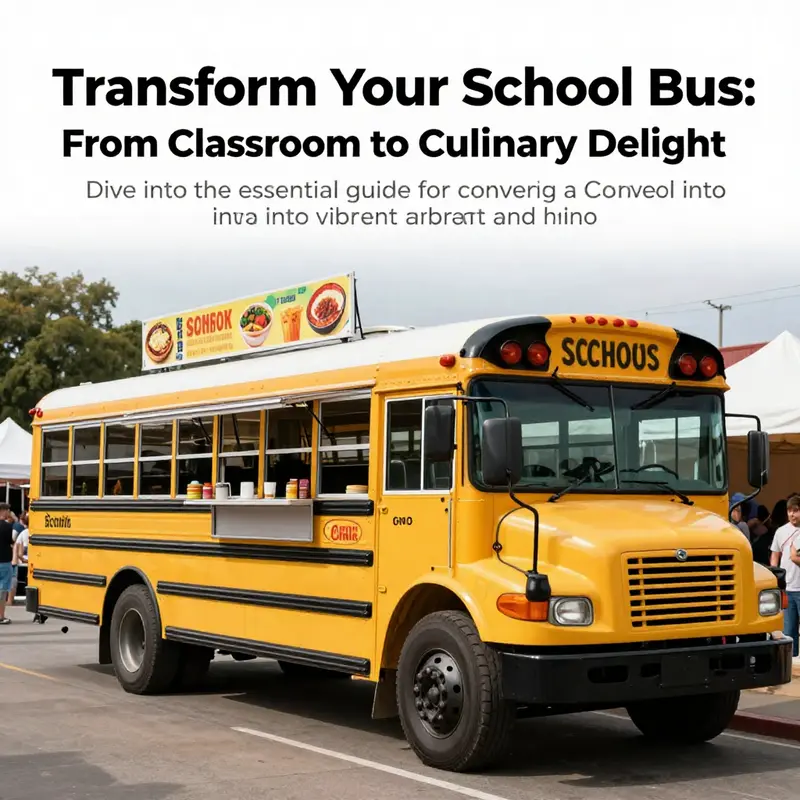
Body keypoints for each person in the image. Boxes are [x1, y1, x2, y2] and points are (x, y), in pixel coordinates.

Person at [773, 494, 800, 662]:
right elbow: (775, 556)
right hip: (787, 589)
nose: (792, 514)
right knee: (788, 632)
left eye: (796, 511)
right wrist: (776, 579)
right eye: (789, 511)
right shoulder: (781, 532)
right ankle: (791, 664)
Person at [0, 503, 16, 624]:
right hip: (4, 562)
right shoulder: (7, 526)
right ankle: (1, 616)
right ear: (3, 511)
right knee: (3, 590)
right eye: (7, 511)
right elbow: (11, 542)